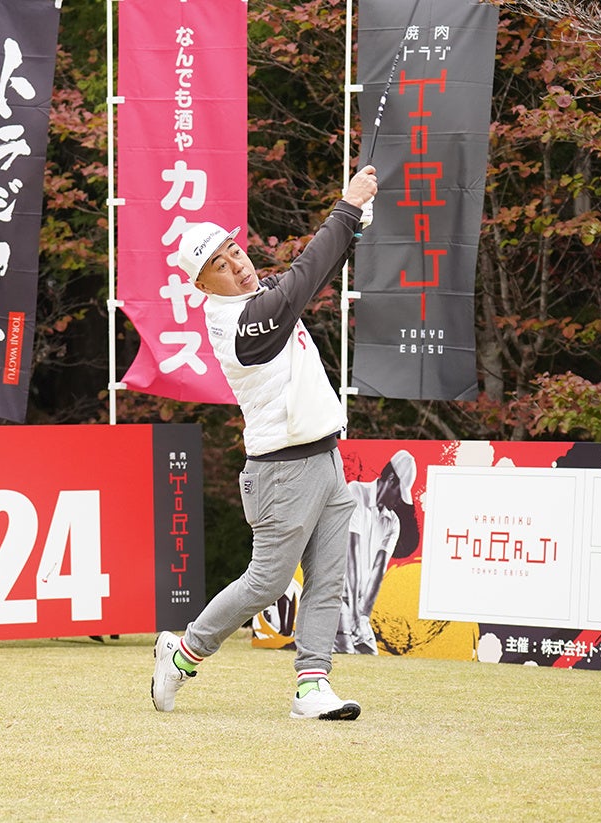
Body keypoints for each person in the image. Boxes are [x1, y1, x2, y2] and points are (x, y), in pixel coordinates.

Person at [150, 165, 379, 720]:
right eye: (219, 265)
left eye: (234, 251)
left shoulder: (260, 297)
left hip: (324, 456)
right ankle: (182, 654)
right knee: (266, 584)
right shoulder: (243, 324)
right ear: (203, 286)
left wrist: (354, 227)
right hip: (281, 472)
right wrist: (346, 209)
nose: (237, 265)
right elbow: (304, 277)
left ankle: (311, 687)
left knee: (328, 581)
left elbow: (315, 271)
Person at [335, 449, 418, 655]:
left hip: (359, 605)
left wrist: (363, 616)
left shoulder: (393, 522)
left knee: (370, 655)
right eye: (399, 493)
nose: (399, 501)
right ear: (390, 480)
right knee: (346, 655)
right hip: (336, 597)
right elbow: (351, 555)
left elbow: (378, 571)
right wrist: (354, 615)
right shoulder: (355, 492)